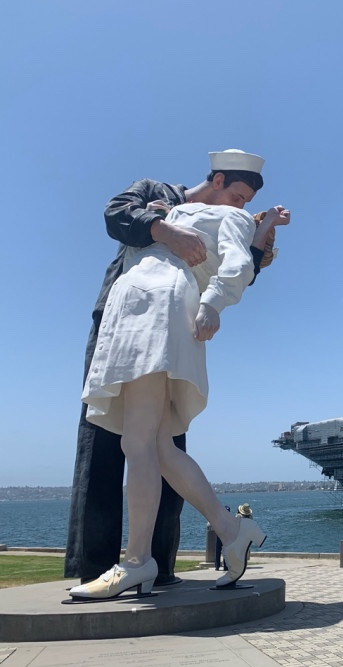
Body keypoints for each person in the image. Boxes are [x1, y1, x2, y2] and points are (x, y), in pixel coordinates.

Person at [68, 149, 290, 599]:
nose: (241, 205)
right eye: (238, 195)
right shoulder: (162, 199)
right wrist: (162, 223)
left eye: (247, 203)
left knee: (139, 442)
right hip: (129, 310)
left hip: (157, 306)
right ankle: (230, 529)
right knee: (156, 445)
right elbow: (117, 214)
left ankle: (139, 561)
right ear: (219, 179)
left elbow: (241, 265)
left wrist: (214, 301)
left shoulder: (227, 217)